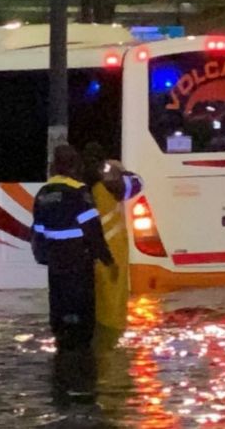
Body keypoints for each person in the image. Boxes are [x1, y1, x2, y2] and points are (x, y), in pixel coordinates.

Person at [32, 144, 114, 350]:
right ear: (75, 167)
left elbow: (37, 232)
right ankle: (81, 362)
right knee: (81, 312)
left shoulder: (43, 193)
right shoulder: (79, 192)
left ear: (54, 167)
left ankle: (62, 352)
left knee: (59, 309)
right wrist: (107, 260)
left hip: (55, 263)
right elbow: (93, 231)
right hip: (78, 261)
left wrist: (44, 257)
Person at [82, 143, 144, 343]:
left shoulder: (80, 180)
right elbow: (137, 184)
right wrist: (119, 170)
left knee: (96, 296)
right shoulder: (109, 180)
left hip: (88, 248)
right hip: (112, 247)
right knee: (113, 297)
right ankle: (112, 335)